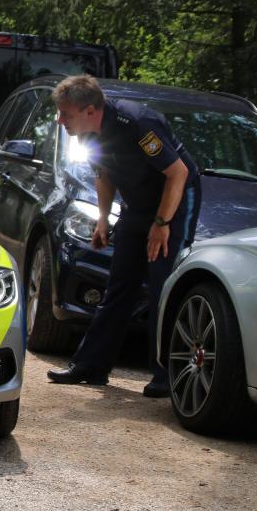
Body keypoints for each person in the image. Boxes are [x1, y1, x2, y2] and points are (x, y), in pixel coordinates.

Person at [46, 75, 201, 397]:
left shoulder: (138, 123)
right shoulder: (85, 133)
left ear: (90, 110)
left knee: (162, 285)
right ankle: (90, 366)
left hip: (173, 202)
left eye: (66, 113)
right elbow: (104, 174)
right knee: (119, 284)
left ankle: (166, 375)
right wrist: (103, 219)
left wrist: (162, 223)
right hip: (137, 204)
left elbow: (178, 174)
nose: (60, 120)